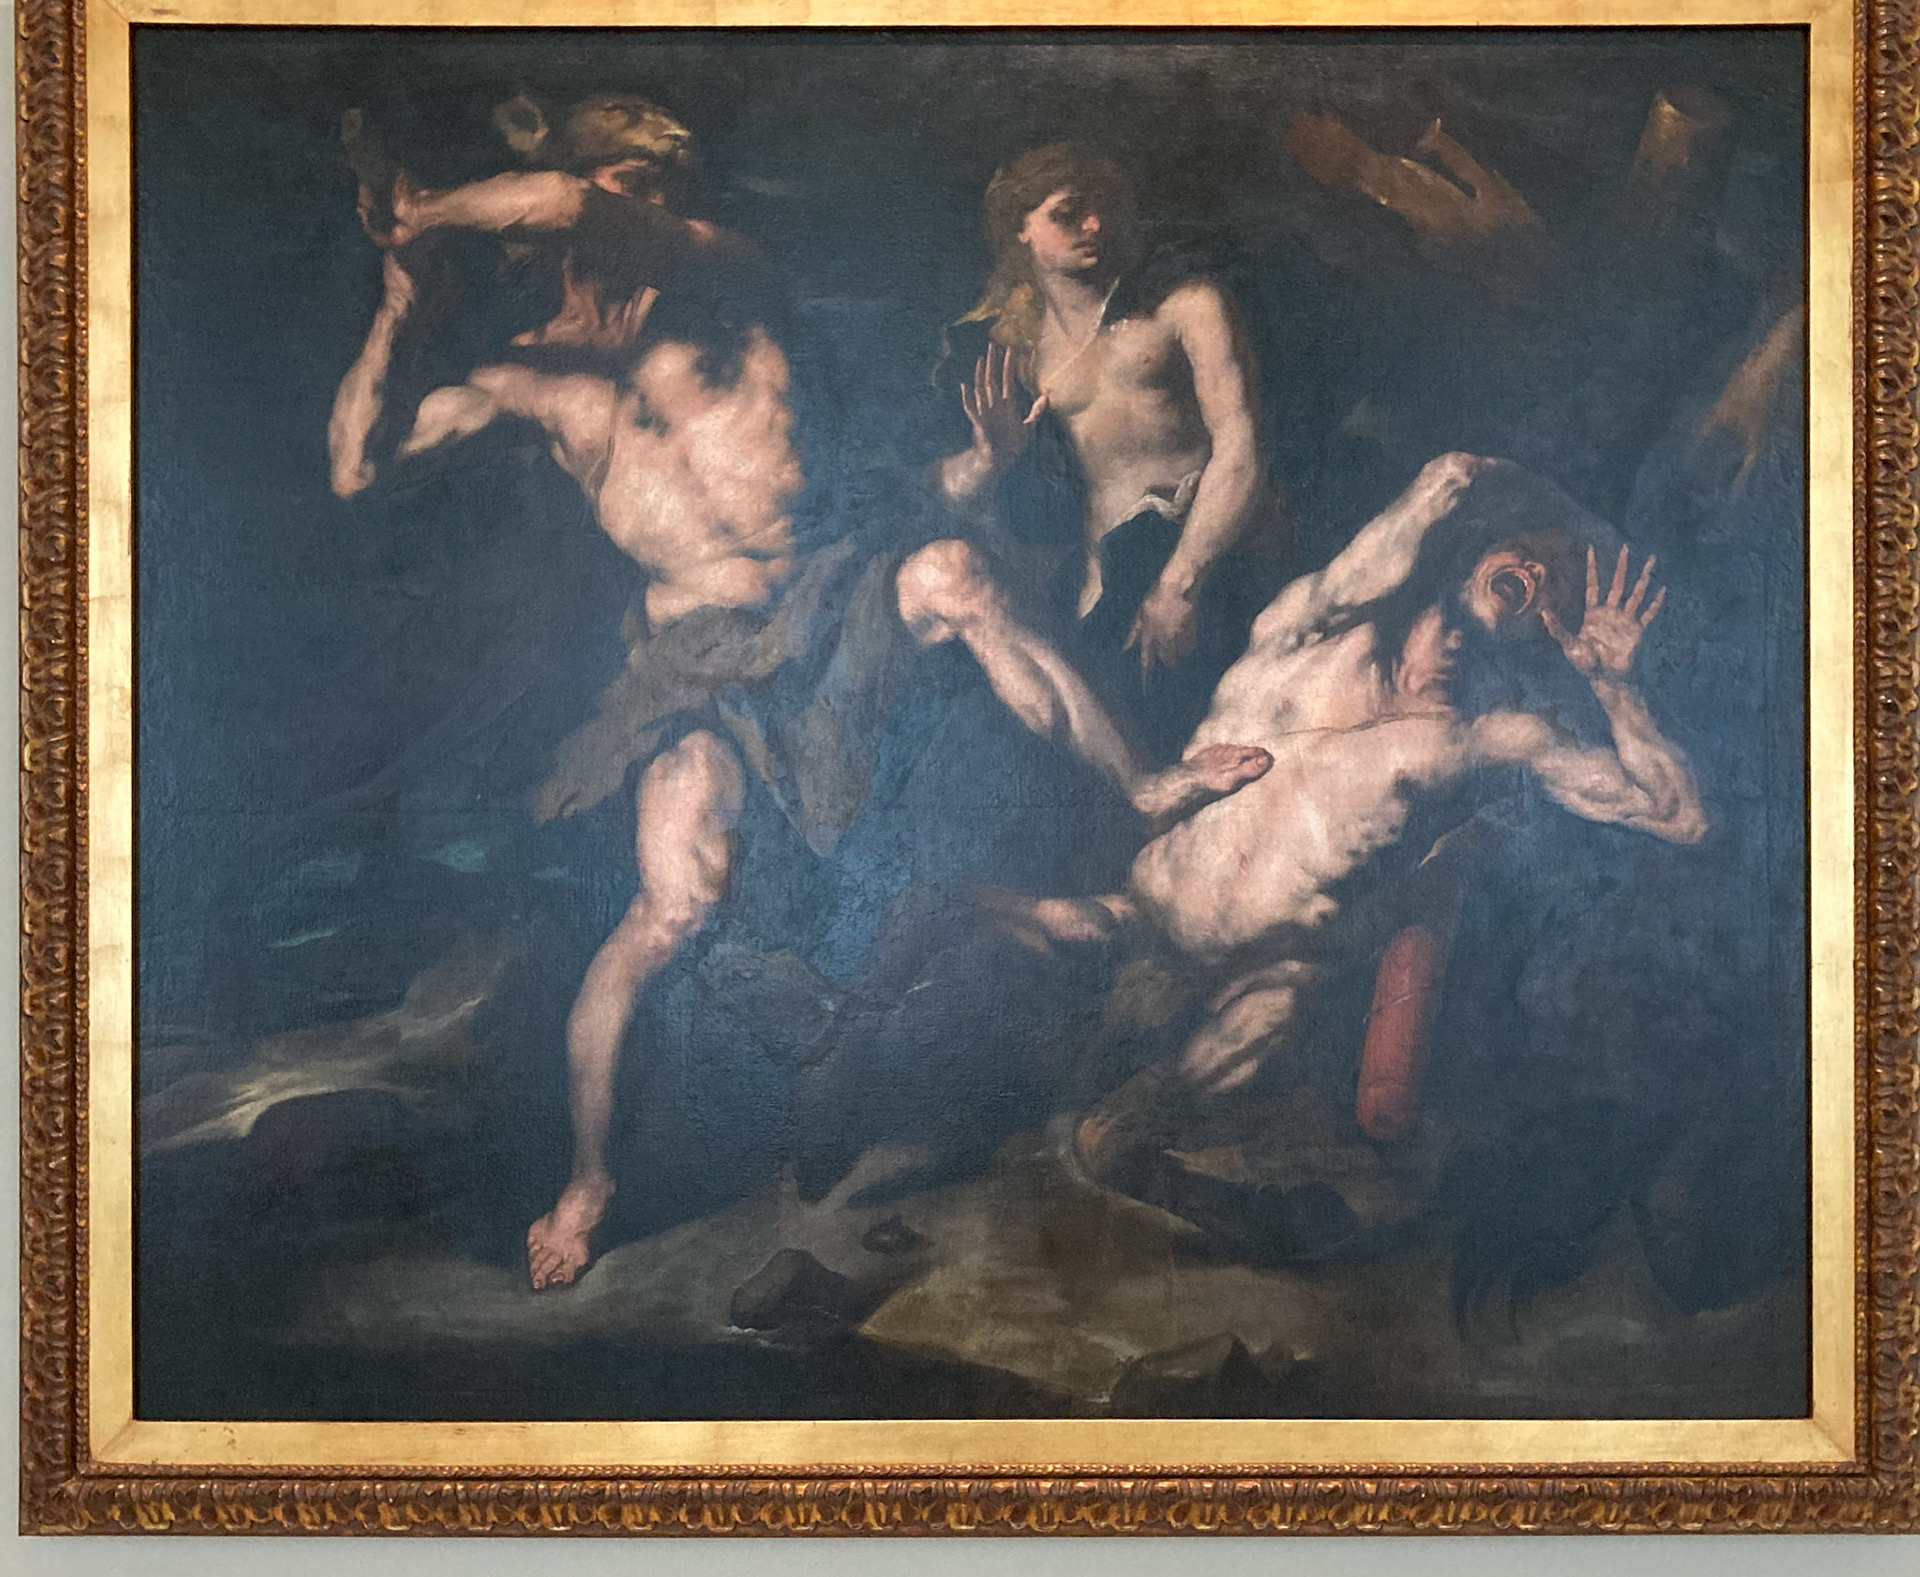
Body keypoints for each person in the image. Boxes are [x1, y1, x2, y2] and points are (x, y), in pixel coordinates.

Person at [327, 109, 1274, 1290]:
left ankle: (1138, 783)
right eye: (626, 183)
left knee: (956, 575)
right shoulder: (532, 375)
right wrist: (403, 299)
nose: (646, 210)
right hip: (699, 663)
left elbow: (578, 209)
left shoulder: (728, 283)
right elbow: (357, 468)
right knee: (670, 909)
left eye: (661, 187)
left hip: (832, 594)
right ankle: (590, 1178)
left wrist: (420, 207)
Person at [976, 452, 1708, 1171]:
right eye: (1534, 549)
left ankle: (1136, 1116)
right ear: (1479, 539)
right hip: (1145, 908)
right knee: (1029, 936)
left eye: (1564, 584)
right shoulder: (1314, 623)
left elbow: (1679, 816)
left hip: (1268, 966)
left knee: (1250, 1036)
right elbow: (1453, 475)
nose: (1541, 571)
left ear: (1554, 632)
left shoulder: (1486, 738)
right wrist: (1569, 519)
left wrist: (1617, 689)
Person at [931, 144, 1291, 759]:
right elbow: (942, 491)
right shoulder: (1014, 349)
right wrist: (992, 457)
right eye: (1068, 214)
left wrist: (1180, 584)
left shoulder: (1188, 308)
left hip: (1209, 562)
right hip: (1100, 582)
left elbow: (1241, 447)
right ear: (1021, 229)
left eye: (1102, 209)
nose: (1094, 225)